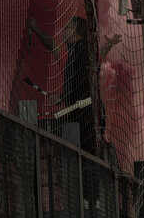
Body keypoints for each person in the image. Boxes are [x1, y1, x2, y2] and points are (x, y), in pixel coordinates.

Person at [26, 15, 120, 153]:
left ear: (76, 32)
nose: (63, 30)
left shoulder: (81, 51)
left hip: (86, 116)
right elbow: (53, 46)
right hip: (81, 115)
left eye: (67, 27)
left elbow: (86, 71)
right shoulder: (72, 55)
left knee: (81, 153)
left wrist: (62, 97)